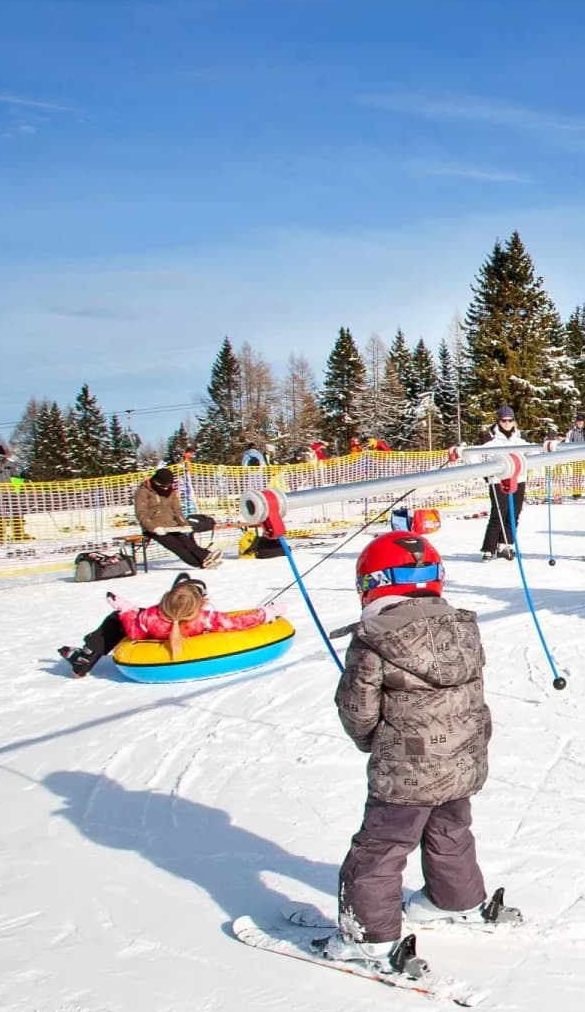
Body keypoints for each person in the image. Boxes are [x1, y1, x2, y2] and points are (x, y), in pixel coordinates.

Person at [316, 531, 520, 978]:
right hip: (461, 759)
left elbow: (356, 708)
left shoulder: (374, 639)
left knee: (381, 847)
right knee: (450, 828)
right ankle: (456, 898)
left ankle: (368, 935)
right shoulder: (462, 628)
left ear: (372, 584)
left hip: (407, 769)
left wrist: (373, 741)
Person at [57, 573, 275, 677]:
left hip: (149, 630)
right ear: (202, 601)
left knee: (114, 622)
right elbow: (237, 623)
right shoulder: (205, 618)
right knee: (122, 617)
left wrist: (125, 610)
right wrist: (267, 613)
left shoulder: (151, 617)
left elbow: (133, 630)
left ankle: (87, 655)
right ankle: (87, 654)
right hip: (180, 634)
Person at [136, 467, 222, 569]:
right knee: (177, 546)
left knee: (187, 542)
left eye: (168, 486)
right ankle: (199, 563)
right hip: (155, 527)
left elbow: (177, 511)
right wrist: (153, 528)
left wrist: (184, 525)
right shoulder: (143, 491)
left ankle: (206, 557)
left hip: (172, 525)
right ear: (156, 482)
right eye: (163, 486)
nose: (165, 488)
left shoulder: (171, 491)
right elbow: (141, 513)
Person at [480, 407, 527, 560]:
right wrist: (486, 473)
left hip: (518, 480)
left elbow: (535, 452)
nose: (507, 423)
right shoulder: (492, 441)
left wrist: (549, 445)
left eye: (510, 420)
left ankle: (505, 545)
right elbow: (474, 455)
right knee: (499, 513)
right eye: (503, 420)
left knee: (514, 514)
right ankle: (488, 548)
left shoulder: (519, 441)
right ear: (498, 422)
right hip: (498, 481)